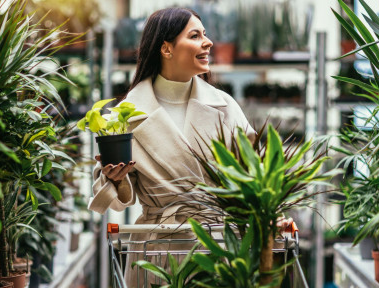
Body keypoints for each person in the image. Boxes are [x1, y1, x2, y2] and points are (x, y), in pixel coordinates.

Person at [88, 7, 292, 286]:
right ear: (166, 49)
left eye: (205, 35)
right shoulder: (127, 113)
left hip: (216, 243)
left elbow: (255, 175)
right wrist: (113, 179)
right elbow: (116, 198)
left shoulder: (224, 105)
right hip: (156, 251)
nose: (208, 42)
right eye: (195, 36)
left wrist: (271, 214)